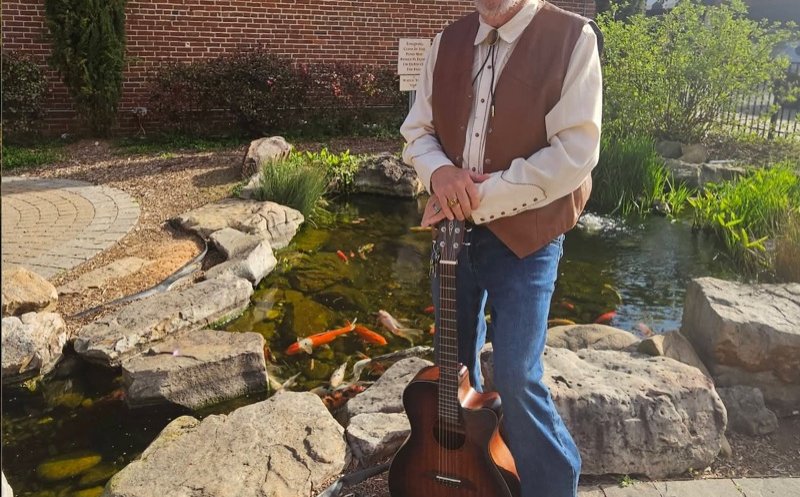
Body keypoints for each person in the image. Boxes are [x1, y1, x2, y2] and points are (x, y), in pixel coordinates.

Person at [400, 1, 602, 496]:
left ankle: (553, 488)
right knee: (453, 371)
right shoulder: (445, 41)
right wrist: (440, 173)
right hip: (452, 235)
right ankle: (472, 477)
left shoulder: (573, 37)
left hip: (528, 237)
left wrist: (470, 197)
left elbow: (575, 153)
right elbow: (417, 132)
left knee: (516, 375)